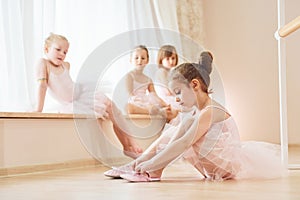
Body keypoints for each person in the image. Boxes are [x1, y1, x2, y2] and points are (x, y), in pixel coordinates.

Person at [104, 51, 286, 182]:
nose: (176, 99)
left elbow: (183, 143)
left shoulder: (210, 111)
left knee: (186, 130)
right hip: (212, 164)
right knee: (177, 129)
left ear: (195, 85)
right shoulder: (197, 111)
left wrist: (152, 161)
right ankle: (143, 165)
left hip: (226, 167)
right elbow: (176, 138)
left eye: (178, 92)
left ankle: (151, 168)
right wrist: (147, 161)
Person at [34, 33, 142, 158]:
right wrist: (38, 109)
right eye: (58, 49)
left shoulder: (66, 65)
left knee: (113, 109)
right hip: (75, 102)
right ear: (46, 49)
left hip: (82, 93)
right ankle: (129, 146)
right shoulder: (43, 63)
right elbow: (42, 86)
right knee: (111, 109)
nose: (62, 54)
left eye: (65, 52)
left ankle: (128, 144)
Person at [125, 45, 168, 115]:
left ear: (147, 60)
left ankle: (153, 110)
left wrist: (165, 104)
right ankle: (150, 111)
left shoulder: (148, 79)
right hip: (134, 101)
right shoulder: (129, 76)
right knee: (129, 107)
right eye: (136, 58)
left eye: (143, 58)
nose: (140, 61)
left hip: (145, 102)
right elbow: (129, 94)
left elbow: (154, 95)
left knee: (155, 105)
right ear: (130, 60)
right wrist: (138, 101)